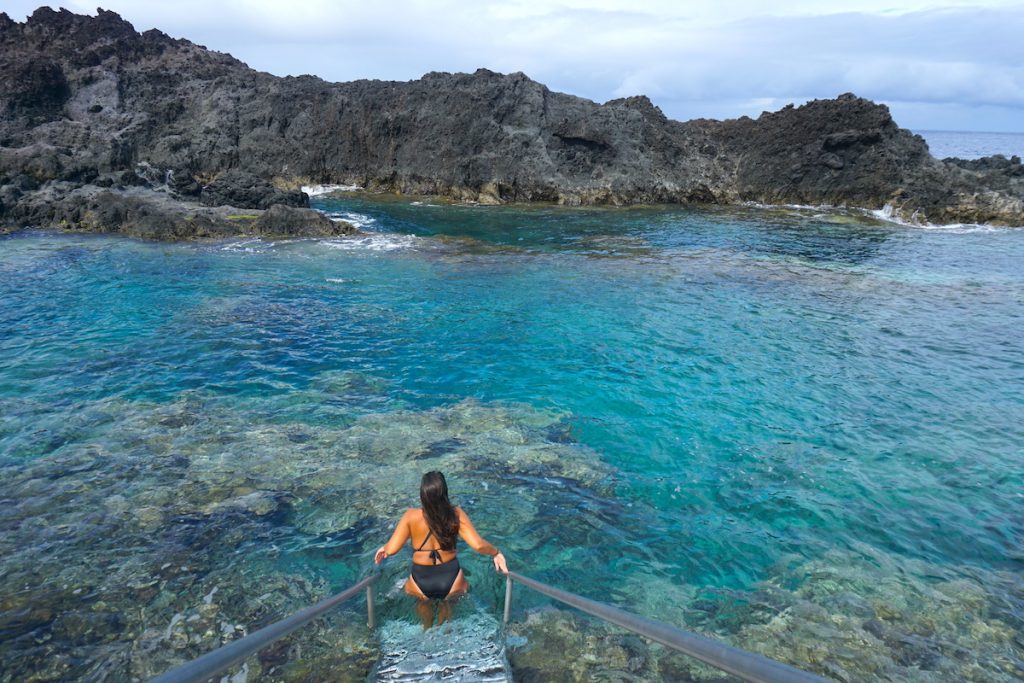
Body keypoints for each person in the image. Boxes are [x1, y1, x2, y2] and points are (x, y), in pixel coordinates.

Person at [375, 471, 508, 628]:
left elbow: (392, 549)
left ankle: (427, 633)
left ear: (423, 495)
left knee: (426, 622)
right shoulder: (456, 514)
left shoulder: (411, 516)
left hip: (420, 579)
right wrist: (496, 552)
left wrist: (384, 548)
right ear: (444, 492)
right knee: (446, 622)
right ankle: (446, 635)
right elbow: (478, 545)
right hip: (451, 578)